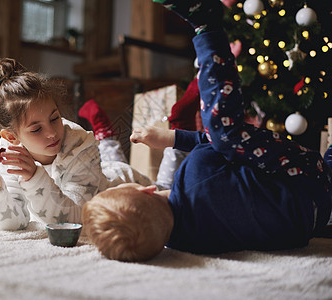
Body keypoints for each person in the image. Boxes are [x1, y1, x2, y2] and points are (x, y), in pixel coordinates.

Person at [82, 0, 332, 262]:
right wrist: (173, 138)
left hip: (313, 221)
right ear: (144, 190)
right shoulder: (196, 175)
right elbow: (218, 141)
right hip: (304, 179)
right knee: (225, 134)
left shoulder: (187, 242)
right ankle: (207, 26)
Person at [0, 58, 180, 230]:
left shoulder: (78, 144)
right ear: (12, 137)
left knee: (170, 193)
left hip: (120, 183)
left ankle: (179, 131)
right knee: (101, 156)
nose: (52, 133)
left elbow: (76, 218)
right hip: (96, 171)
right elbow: (14, 223)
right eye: (36, 129)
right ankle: (104, 132)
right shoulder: (10, 154)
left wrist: (34, 177)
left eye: (55, 118)